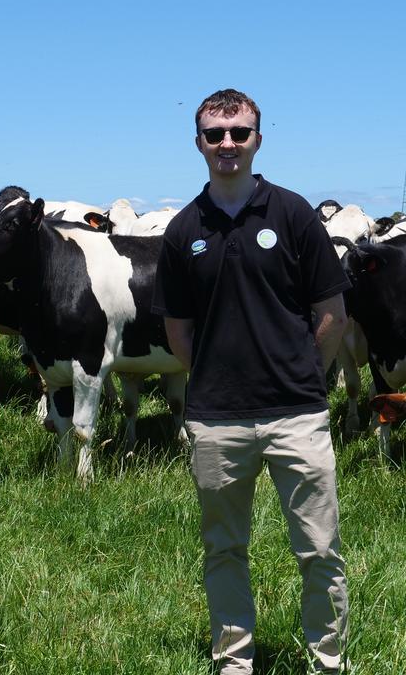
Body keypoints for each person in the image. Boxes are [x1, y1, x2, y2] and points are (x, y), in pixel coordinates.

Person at [153, 90, 351, 674]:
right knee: (224, 548)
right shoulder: (183, 229)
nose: (228, 144)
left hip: (297, 413)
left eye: (239, 132)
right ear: (199, 144)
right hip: (216, 417)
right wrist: (217, 378)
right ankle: (234, 662)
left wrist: (301, 371)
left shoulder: (292, 214)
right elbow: (177, 331)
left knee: (319, 550)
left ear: (258, 138)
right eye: (215, 135)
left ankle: (327, 661)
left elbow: (332, 313)